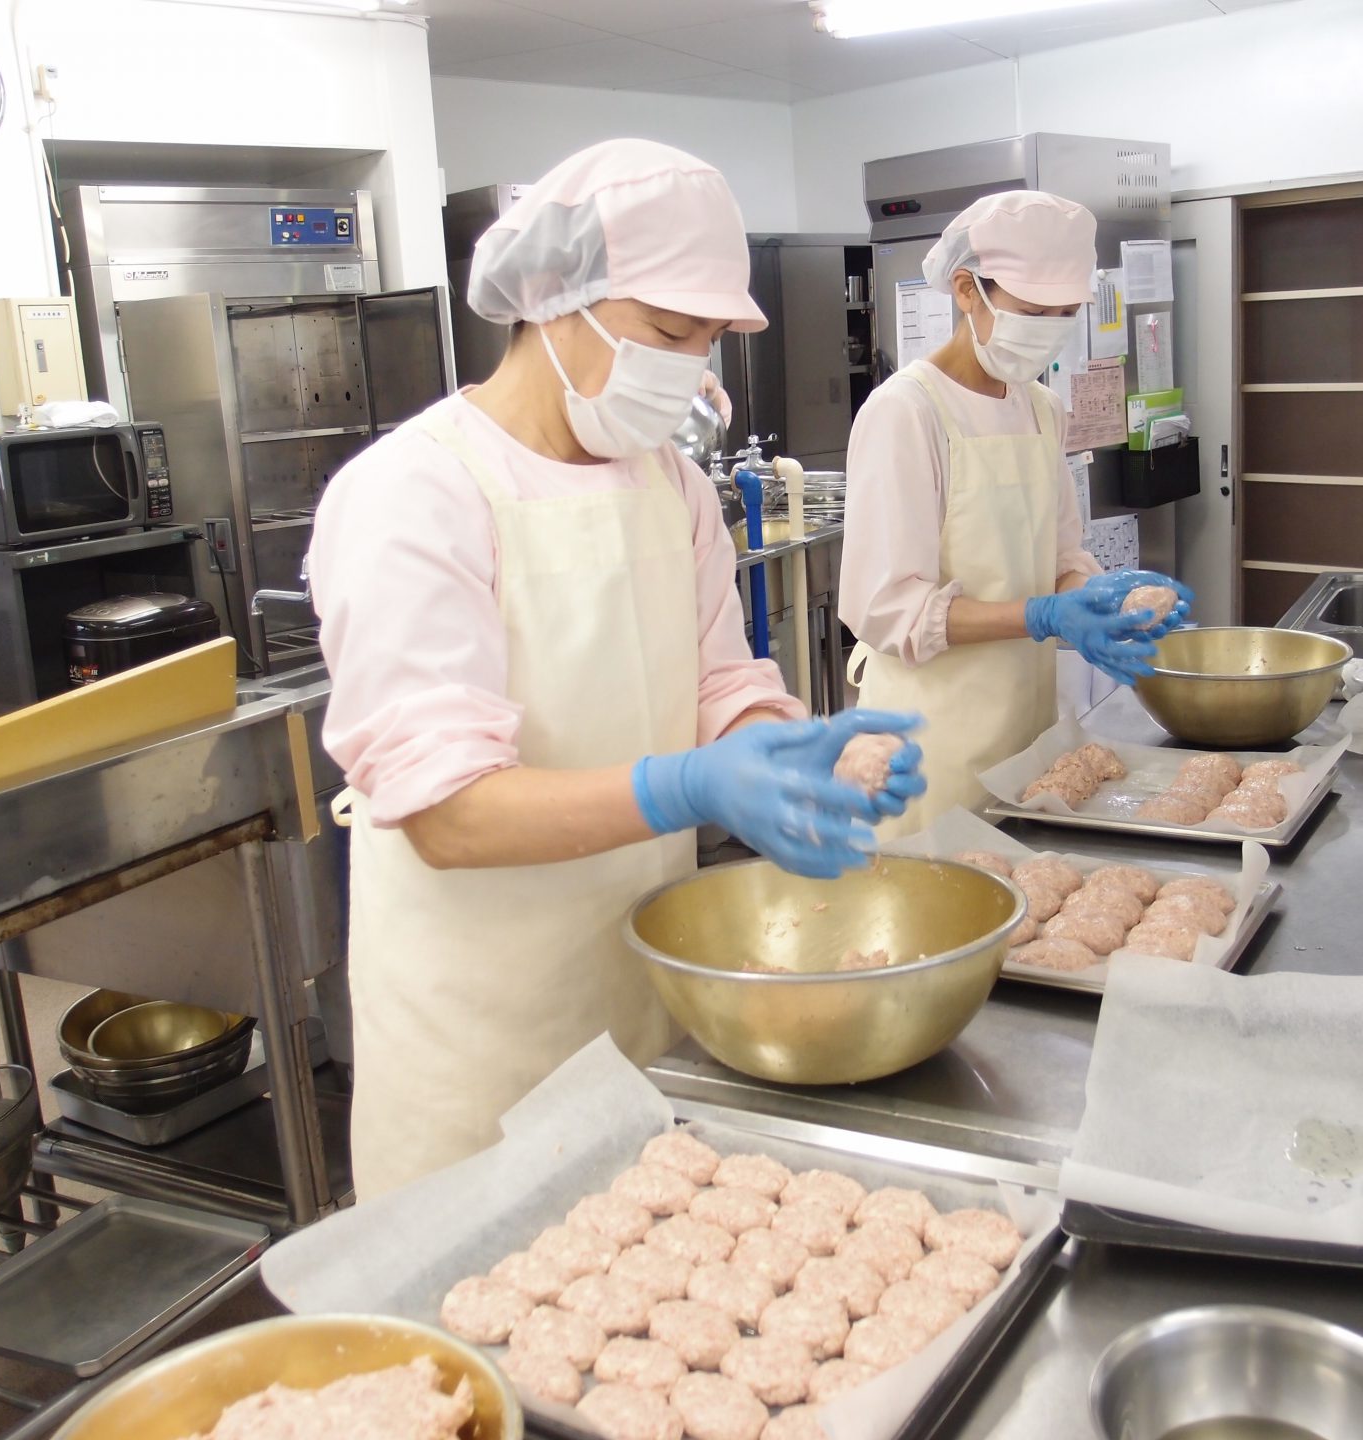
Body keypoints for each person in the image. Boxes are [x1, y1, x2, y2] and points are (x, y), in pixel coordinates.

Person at [310, 140, 924, 1200]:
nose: (691, 369)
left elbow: (720, 685)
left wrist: (790, 756)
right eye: (670, 335)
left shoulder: (669, 486)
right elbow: (447, 814)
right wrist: (682, 788)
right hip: (480, 1047)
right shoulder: (417, 492)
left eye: (708, 342)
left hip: (644, 1005)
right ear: (555, 299)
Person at [838, 190, 1190, 837]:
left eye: (1066, 313)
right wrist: (1041, 616)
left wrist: (1102, 600)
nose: (1051, 327)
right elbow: (887, 610)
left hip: (1027, 736)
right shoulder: (907, 412)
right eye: (1033, 311)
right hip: (929, 745)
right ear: (966, 290)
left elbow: (1060, 556)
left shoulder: (1041, 408)